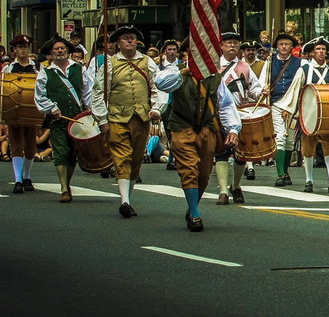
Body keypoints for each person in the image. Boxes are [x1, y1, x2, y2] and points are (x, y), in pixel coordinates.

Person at [155, 54, 241, 232]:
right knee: (189, 169)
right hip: (181, 128)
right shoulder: (177, 72)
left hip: (207, 129)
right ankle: (194, 213)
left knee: (203, 173)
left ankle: (192, 205)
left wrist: (233, 128)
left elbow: (225, 104)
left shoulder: (215, 78)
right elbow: (161, 83)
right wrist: (185, 73)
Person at [91, 26, 165, 218]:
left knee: (136, 158)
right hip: (117, 117)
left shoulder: (147, 62)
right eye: (126, 39)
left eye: (132, 38)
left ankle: (128, 200)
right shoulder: (109, 64)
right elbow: (98, 93)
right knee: (122, 156)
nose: (130, 41)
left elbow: (158, 87)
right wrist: (102, 119)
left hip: (141, 118)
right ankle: (124, 200)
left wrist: (156, 108)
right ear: (118, 43)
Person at [34, 36, 92, 202]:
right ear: (51, 53)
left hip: (77, 117)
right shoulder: (45, 72)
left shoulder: (79, 69)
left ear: (67, 51)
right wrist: (52, 108)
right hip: (57, 119)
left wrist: (90, 110)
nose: (59, 51)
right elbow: (40, 96)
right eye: (56, 49)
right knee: (61, 151)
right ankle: (64, 188)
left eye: (62, 49)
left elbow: (87, 92)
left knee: (73, 152)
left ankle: (67, 183)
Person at [294, 36, 329, 193]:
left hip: (327, 114)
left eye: (323, 49)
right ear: (312, 53)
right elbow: (296, 90)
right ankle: (309, 180)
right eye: (318, 49)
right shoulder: (303, 70)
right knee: (308, 146)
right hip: (309, 113)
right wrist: (294, 112)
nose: (321, 52)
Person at [214, 32, 262, 204]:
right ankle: (223, 190)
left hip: (241, 113)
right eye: (229, 43)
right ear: (221, 46)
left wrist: (261, 93)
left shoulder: (245, 67)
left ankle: (236, 186)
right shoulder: (214, 64)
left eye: (235, 42)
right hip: (219, 114)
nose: (232, 46)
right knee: (222, 152)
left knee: (241, 155)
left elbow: (253, 89)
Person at [259, 32, 305, 187]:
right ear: (277, 47)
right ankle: (280, 174)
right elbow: (262, 82)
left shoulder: (300, 63)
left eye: (287, 44)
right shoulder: (269, 62)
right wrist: (264, 90)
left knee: (290, 141)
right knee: (280, 136)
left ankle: (285, 172)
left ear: (292, 47)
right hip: (277, 103)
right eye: (281, 44)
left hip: (294, 105)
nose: (284, 47)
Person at [5, 35, 39, 194]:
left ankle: (27, 176)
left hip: (32, 110)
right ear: (14, 50)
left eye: (25, 46)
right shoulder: (9, 69)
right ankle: (18, 179)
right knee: (17, 144)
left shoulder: (37, 67)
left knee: (31, 145)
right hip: (14, 111)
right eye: (20, 47)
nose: (23, 49)